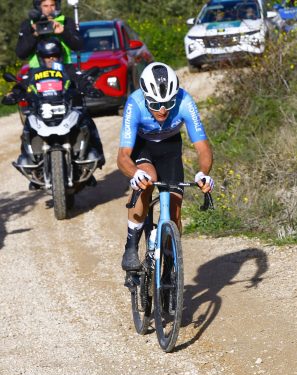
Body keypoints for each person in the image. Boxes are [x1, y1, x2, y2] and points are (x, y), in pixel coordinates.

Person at [117, 62, 214, 271]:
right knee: (146, 179)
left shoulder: (185, 101)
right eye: (155, 103)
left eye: (168, 103)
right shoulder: (134, 103)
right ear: (145, 97)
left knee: (175, 208)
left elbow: (203, 147)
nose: (162, 110)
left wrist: (203, 173)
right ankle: (131, 245)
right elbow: (123, 156)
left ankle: (169, 261)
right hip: (143, 147)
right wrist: (134, 173)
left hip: (170, 149)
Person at [12, 37, 104, 182]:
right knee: (27, 127)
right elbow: (21, 86)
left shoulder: (69, 69)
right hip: (41, 112)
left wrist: (89, 88)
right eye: (47, 56)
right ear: (41, 58)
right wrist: (14, 94)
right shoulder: (32, 73)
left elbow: (81, 80)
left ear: (60, 56)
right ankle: (29, 162)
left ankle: (97, 157)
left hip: (67, 110)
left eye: (54, 55)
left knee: (87, 120)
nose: (51, 59)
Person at [15, 0, 82, 68]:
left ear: (57, 6)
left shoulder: (65, 21)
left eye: (52, 5)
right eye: (45, 6)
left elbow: (78, 46)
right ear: (39, 7)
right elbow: (21, 54)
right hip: (37, 71)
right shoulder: (29, 24)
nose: (49, 9)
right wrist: (34, 35)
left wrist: (63, 32)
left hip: (64, 69)